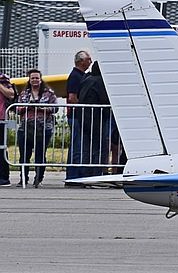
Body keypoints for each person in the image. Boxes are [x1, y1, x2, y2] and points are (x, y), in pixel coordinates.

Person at [14, 69, 58, 187]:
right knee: (24, 155)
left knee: (40, 154)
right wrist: (27, 106)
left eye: (37, 78)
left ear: (41, 79)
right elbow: (17, 109)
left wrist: (42, 108)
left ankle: (38, 179)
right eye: (32, 78)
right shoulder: (24, 94)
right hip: (25, 128)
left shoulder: (49, 93)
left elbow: (56, 108)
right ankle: (23, 178)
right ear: (29, 79)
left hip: (43, 128)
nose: (35, 80)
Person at [75, 62, 111, 175]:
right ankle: (97, 173)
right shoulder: (100, 82)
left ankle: (85, 174)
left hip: (83, 118)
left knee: (86, 148)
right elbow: (105, 99)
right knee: (100, 148)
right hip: (97, 119)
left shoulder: (86, 80)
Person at [64, 49, 93, 182]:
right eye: (88, 59)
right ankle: (74, 176)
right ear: (80, 61)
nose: (90, 62)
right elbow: (72, 97)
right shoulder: (76, 76)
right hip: (76, 116)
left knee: (78, 144)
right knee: (77, 145)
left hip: (78, 116)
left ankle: (75, 174)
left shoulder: (80, 75)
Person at [0, 70, 15, 186]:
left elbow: (11, 94)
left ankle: (4, 178)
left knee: (1, 148)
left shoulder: (3, 79)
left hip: (0, 118)